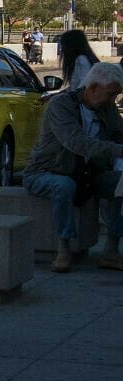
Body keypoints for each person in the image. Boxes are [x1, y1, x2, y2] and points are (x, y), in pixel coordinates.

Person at [23, 61, 123, 273]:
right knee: (64, 186)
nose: (113, 100)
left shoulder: (107, 109)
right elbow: (76, 142)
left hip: (86, 174)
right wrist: (116, 150)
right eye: (111, 94)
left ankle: (111, 250)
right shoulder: (61, 105)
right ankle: (63, 248)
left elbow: (118, 135)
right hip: (47, 171)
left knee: (119, 184)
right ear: (94, 88)